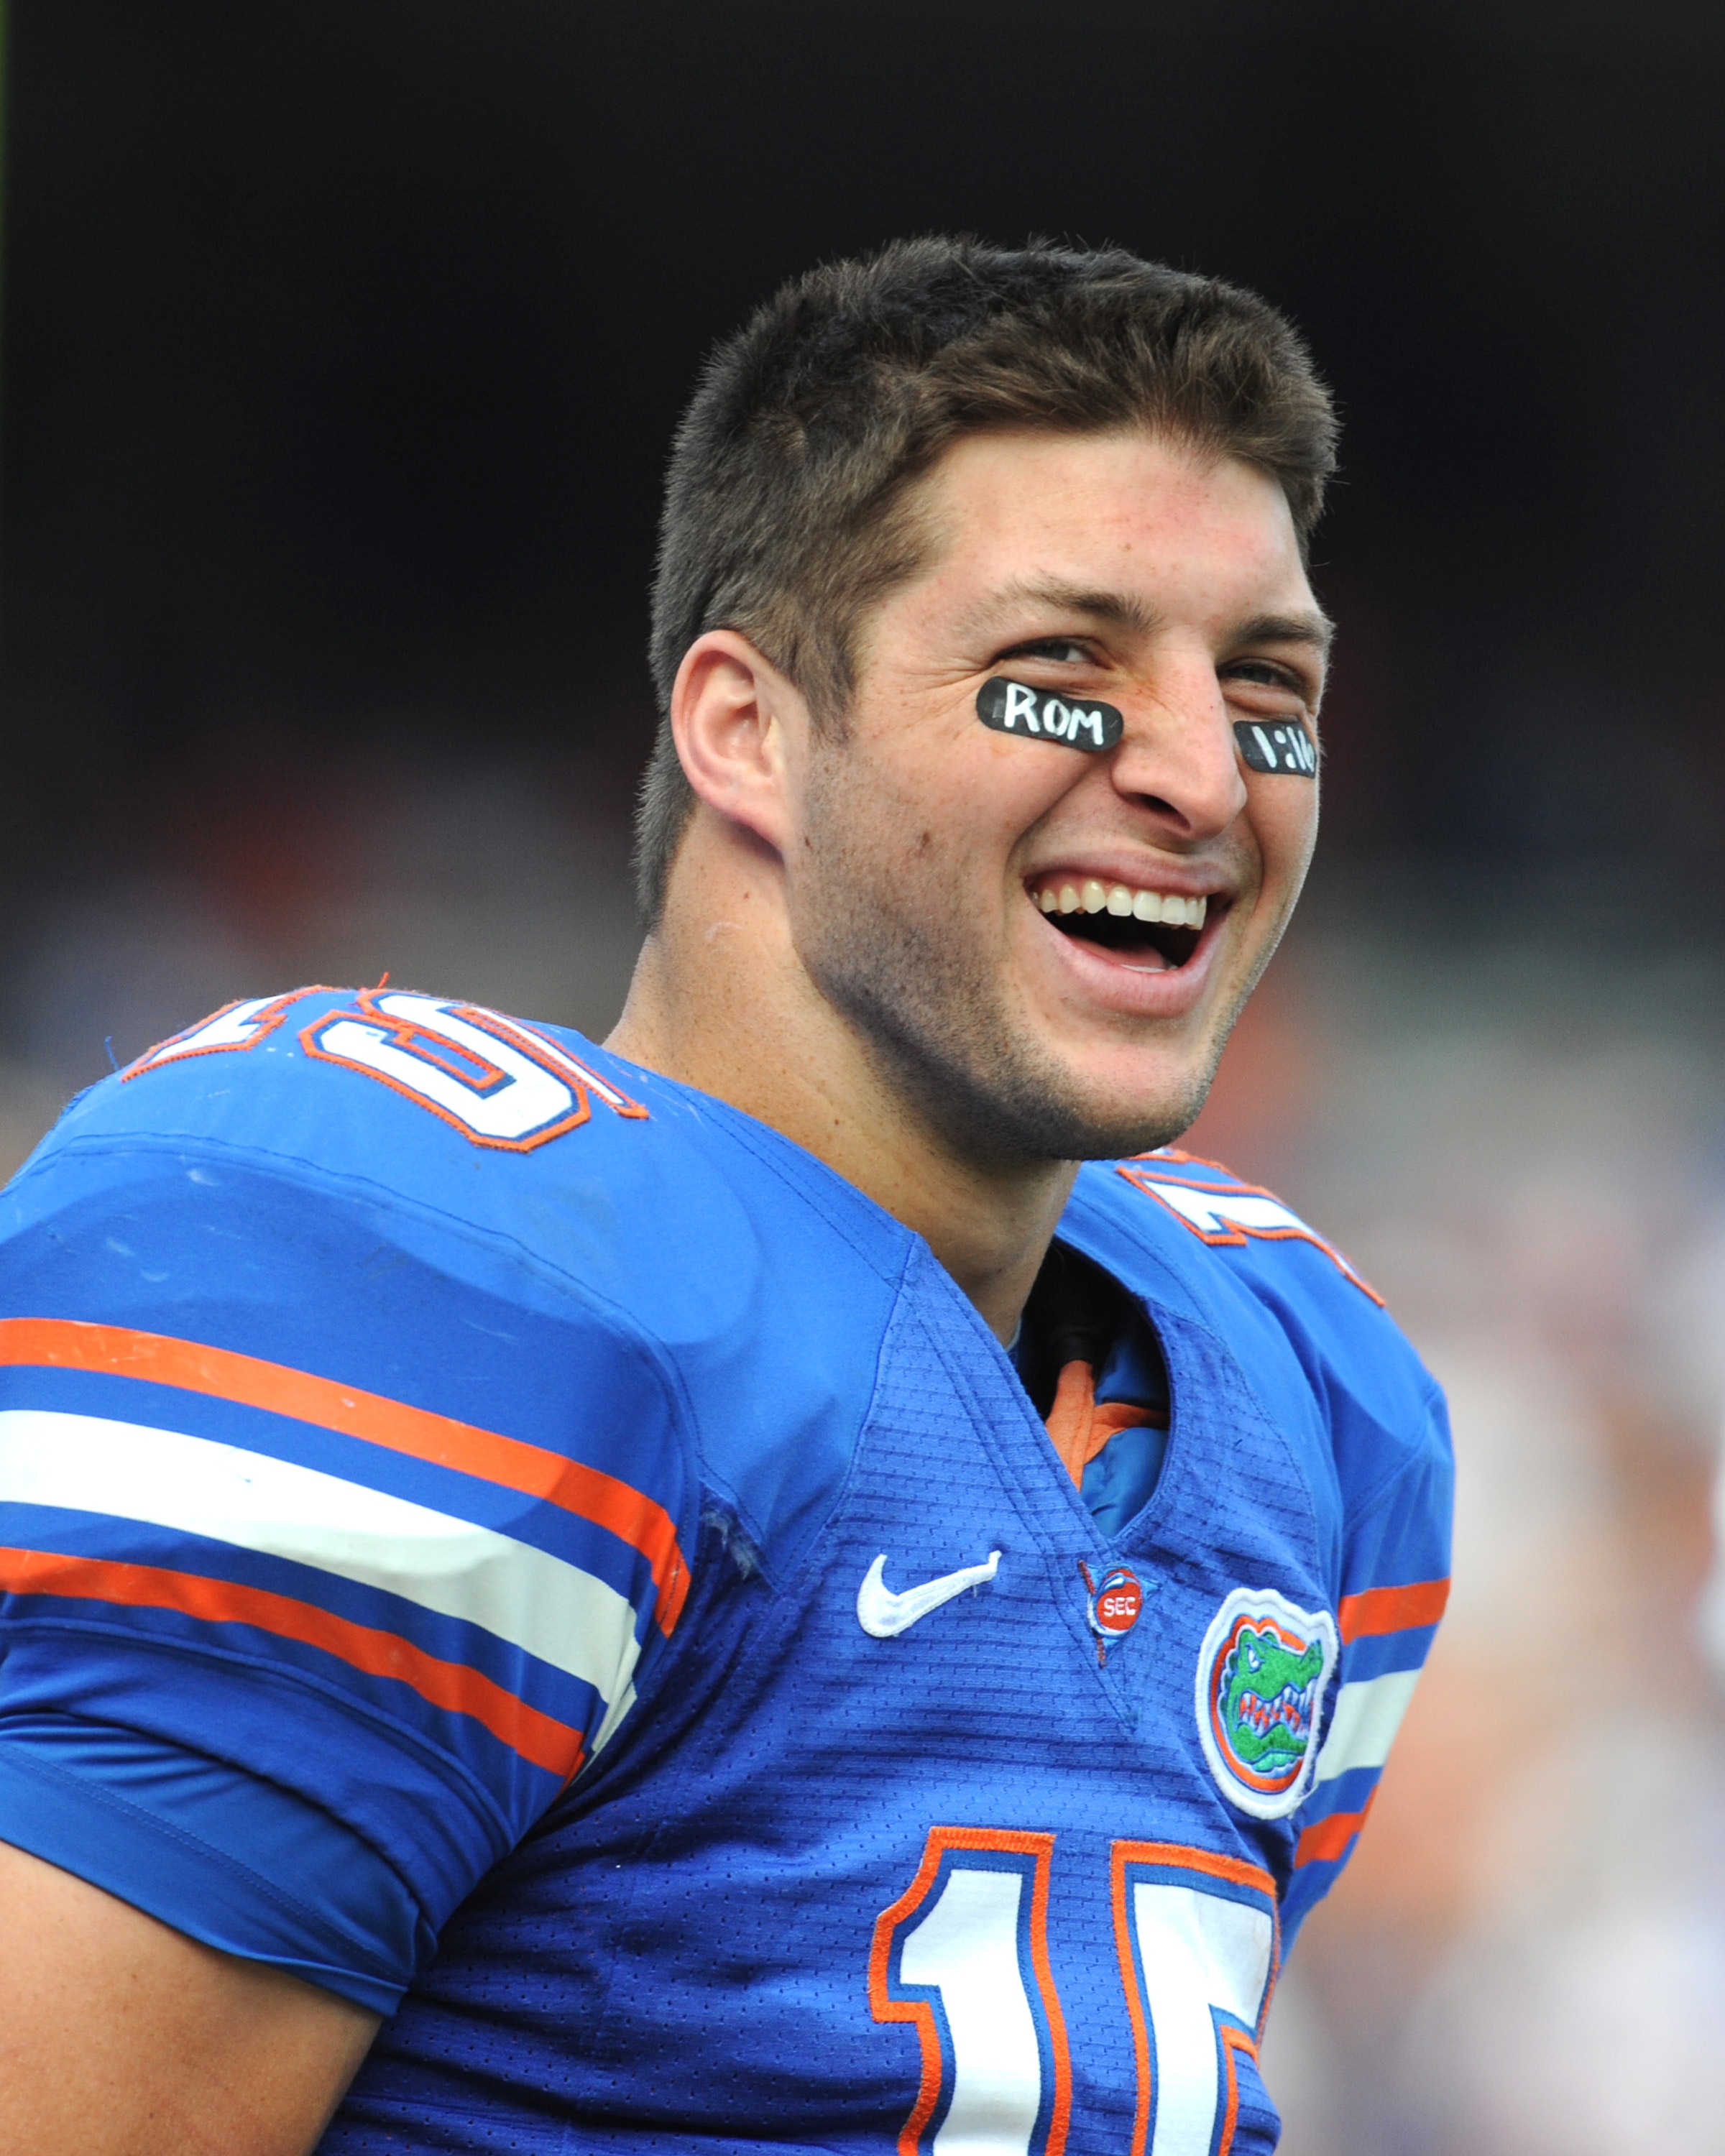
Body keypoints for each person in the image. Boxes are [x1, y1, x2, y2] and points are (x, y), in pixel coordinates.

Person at [0, 237, 1451, 2155]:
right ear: (745, 731)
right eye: (1058, 670)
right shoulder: (432, 1272)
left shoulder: (1309, 1404)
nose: (1204, 773)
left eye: (1267, 684)